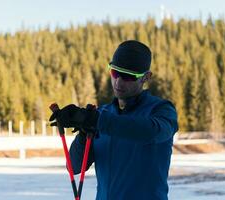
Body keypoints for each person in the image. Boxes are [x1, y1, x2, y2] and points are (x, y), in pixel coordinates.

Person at [49, 40, 178, 200]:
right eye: (115, 73)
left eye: (128, 76)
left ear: (146, 77)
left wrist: (97, 121)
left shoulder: (161, 111)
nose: (118, 81)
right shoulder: (101, 114)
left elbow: (151, 132)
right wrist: (83, 134)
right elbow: (73, 167)